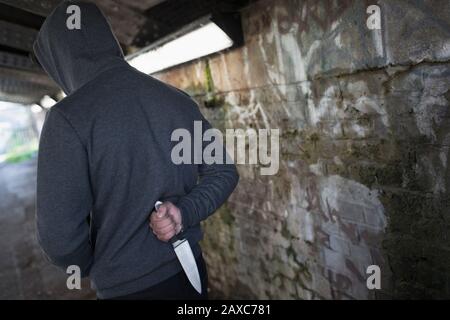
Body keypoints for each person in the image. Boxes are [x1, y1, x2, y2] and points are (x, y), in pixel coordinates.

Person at [34, 1, 239, 300]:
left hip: (127, 288)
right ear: (108, 38)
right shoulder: (175, 99)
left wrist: (94, 262)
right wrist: (183, 213)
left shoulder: (67, 119)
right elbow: (223, 171)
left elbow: (58, 238)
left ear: (59, 59)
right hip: (189, 269)